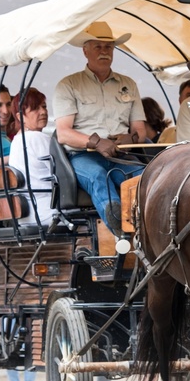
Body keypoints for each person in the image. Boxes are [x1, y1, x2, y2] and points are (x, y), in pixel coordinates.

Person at [53, 21, 147, 234]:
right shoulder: (69, 85)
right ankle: (120, 229)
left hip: (120, 155)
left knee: (143, 177)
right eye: (98, 47)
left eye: (109, 47)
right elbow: (63, 133)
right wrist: (96, 142)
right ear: (85, 51)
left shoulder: (129, 84)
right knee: (98, 176)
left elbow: (140, 129)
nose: (104, 52)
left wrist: (131, 139)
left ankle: (149, 230)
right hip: (83, 156)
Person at [8, 88, 57, 226]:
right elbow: (64, 175)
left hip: (25, 215)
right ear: (20, 116)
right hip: (48, 212)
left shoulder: (17, 140)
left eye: (44, 106)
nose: (43, 112)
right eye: (35, 108)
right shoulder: (38, 137)